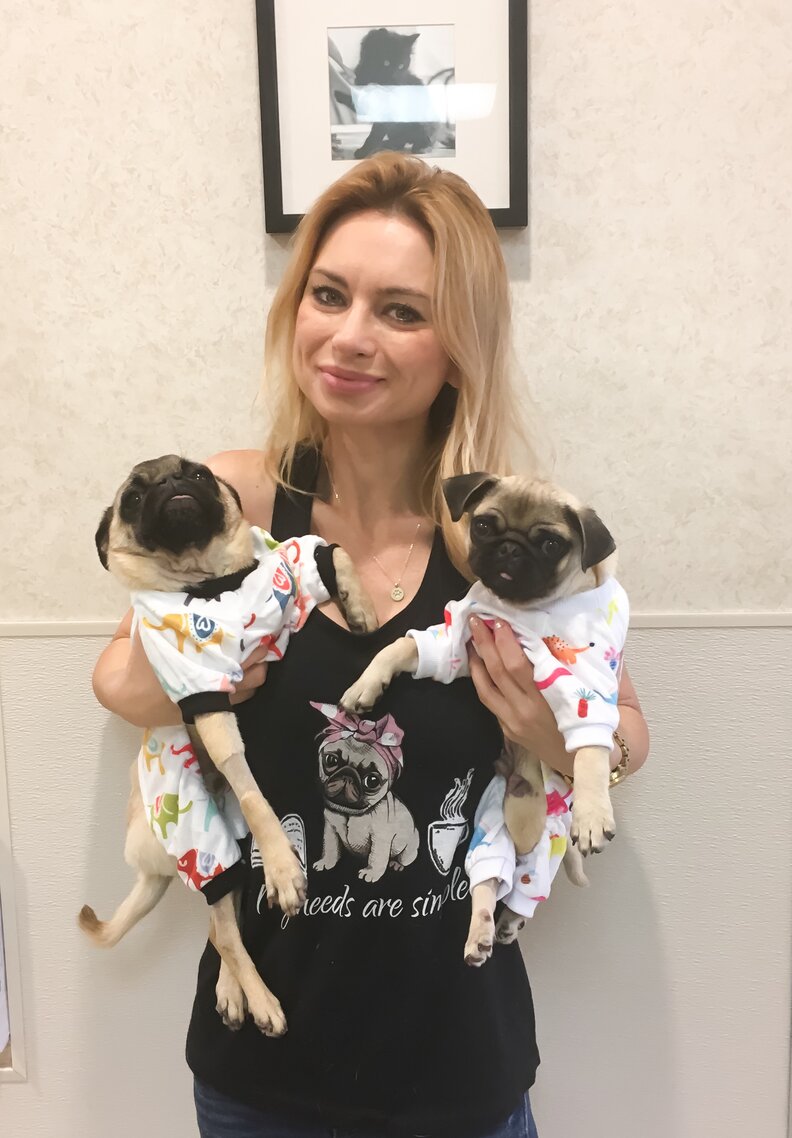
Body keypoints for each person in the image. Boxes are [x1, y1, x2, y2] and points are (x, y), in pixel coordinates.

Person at [92, 152, 649, 1138]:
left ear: (460, 343)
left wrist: (556, 733)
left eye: (401, 310)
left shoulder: (505, 533)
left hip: (460, 1072)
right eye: (329, 294)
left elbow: (628, 729)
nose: (348, 336)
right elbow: (124, 679)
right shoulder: (239, 502)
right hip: (258, 1075)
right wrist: (188, 663)